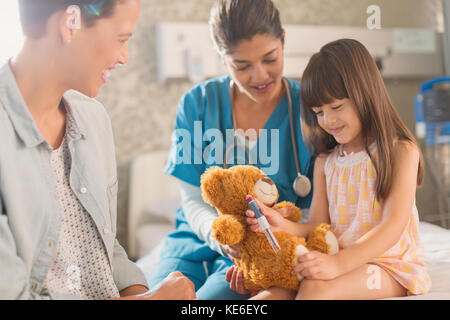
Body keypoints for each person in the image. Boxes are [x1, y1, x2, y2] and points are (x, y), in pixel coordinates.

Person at [0, 0, 195, 300]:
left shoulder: (93, 120)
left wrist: (142, 292)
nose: (124, 57)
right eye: (122, 39)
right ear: (71, 24)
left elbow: (102, 247)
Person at [228, 39, 432, 300]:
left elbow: (391, 227)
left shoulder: (400, 152)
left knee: (316, 288)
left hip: (389, 267)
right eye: (318, 112)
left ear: (365, 95)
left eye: (336, 108)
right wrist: (283, 226)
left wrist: (339, 264)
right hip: (337, 259)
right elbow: (319, 224)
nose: (328, 120)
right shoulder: (327, 161)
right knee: (273, 293)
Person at [145, 0, 314, 300]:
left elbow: (316, 213)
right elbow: (193, 200)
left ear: (283, 40)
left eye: (270, 58)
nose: (259, 75)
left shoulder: (312, 109)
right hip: (195, 237)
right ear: (222, 59)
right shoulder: (197, 104)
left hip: (261, 251)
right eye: (242, 65)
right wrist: (218, 235)